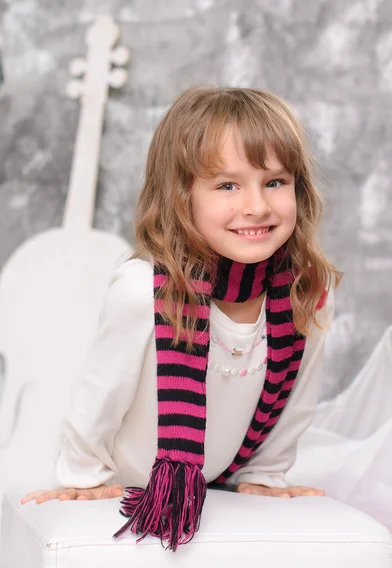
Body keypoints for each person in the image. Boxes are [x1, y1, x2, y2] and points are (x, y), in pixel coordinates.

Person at [21, 84, 343, 550]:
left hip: (219, 479)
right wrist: (82, 476)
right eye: (227, 185)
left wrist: (265, 474)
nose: (256, 206)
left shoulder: (306, 292)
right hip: (131, 485)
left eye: (275, 182)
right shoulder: (142, 290)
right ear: (182, 195)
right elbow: (99, 397)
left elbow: (295, 403)